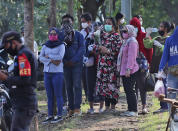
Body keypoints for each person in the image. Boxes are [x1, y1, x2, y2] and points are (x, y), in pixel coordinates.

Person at [0, 31, 38, 131]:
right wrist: (8, 74)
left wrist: (6, 78)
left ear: (14, 42)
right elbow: (22, 75)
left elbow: (25, 79)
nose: (6, 49)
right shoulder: (22, 54)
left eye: (6, 46)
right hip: (23, 100)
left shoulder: (23, 55)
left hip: (24, 101)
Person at [144, 22, 175, 114]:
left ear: (166, 29)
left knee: (164, 85)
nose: (159, 28)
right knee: (160, 85)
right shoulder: (156, 38)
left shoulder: (170, 39)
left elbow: (170, 51)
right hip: (156, 65)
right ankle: (163, 105)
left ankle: (165, 106)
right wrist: (147, 34)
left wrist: (161, 46)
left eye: (161, 27)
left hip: (166, 66)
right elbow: (147, 45)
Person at [94, 17, 122, 112]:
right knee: (104, 86)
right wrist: (98, 48)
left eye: (109, 23)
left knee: (112, 85)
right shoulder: (102, 36)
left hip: (112, 66)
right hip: (102, 65)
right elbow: (95, 47)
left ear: (113, 25)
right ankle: (106, 106)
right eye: (106, 23)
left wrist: (108, 51)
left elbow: (119, 50)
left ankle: (113, 106)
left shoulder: (116, 36)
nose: (107, 25)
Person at [39, 27, 65, 123]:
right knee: (49, 96)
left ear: (57, 35)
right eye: (51, 34)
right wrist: (51, 60)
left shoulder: (61, 45)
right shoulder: (45, 45)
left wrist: (48, 56)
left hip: (57, 73)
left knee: (58, 95)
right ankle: (50, 115)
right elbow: (40, 57)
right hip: (47, 73)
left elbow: (60, 57)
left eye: (54, 34)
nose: (52, 36)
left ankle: (59, 115)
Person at [61, 14, 85, 116]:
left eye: (68, 21)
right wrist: (65, 61)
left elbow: (82, 49)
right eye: (64, 22)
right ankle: (70, 108)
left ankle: (77, 108)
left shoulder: (79, 35)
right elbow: (58, 49)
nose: (66, 24)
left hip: (77, 65)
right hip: (65, 65)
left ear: (73, 22)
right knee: (68, 86)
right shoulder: (60, 36)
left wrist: (73, 60)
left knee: (77, 85)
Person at [118, 25, 139, 117]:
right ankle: (130, 109)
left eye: (125, 31)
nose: (123, 33)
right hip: (124, 70)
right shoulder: (125, 42)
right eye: (123, 31)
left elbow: (131, 57)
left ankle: (134, 110)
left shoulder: (133, 42)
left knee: (130, 90)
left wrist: (128, 69)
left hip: (130, 70)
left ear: (130, 31)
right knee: (127, 90)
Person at [158, 26, 178, 112]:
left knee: (171, 97)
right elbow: (164, 56)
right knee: (171, 97)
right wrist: (160, 70)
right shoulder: (169, 40)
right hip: (172, 73)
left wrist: (160, 70)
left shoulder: (169, 39)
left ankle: (173, 118)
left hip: (172, 72)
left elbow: (164, 57)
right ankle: (172, 118)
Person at [80, 13, 96, 114]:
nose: (83, 24)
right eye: (82, 22)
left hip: (95, 60)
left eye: (84, 22)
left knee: (94, 83)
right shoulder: (81, 33)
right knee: (86, 82)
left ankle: (97, 101)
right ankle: (89, 102)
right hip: (84, 61)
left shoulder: (94, 32)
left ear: (89, 22)